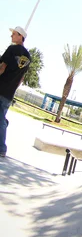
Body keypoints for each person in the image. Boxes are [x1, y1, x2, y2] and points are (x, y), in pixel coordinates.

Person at [0, 26, 31, 157]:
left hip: (1, 88)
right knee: (1, 118)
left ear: (20, 37)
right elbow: (22, 78)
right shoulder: (28, 57)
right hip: (9, 92)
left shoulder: (12, 49)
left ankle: (2, 148)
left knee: (1, 120)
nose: (11, 36)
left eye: (14, 34)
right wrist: (13, 88)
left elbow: (2, 67)